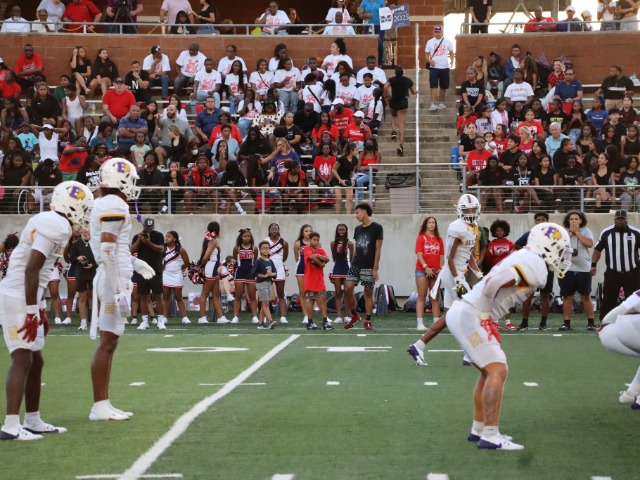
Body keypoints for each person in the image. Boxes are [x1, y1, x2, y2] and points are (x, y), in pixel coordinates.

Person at [444, 222, 572, 450]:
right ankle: (490, 435)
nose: (562, 255)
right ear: (547, 246)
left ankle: (479, 429)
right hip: (471, 315)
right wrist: (485, 316)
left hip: (465, 313)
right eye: (560, 249)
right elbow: (492, 283)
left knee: (488, 371)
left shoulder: (527, 257)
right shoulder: (535, 264)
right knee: (498, 370)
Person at [0, 181, 93, 440]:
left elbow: (38, 271)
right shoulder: (56, 225)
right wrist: (32, 310)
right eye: (83, 208)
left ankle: (32, 420)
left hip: (26, 295)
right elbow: (32, 269)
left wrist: (39, 307)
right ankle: (10, 426)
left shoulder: (55, 222)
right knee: (22, 358)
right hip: (18, 295)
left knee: (36, 360)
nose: (85, 214)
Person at [89, 159, 154, 421]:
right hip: (111, 280)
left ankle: (103, 403)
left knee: (111, 341)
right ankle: (99, 405)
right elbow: (106, 251)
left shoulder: (107, 203)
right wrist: (118, 291)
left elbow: (112, 249)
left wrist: (134, 262)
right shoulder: (114, 204)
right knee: (108, 342)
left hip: (113, 276)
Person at [591, 210, 640, 322]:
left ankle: (635, 323)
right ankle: (605, 322)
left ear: (627, 219)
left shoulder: (636, 233)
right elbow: (597, 250)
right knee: (608, 300)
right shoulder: (607, 232)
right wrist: (593, 265)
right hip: (613, 272)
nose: (620, 221)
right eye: (618, 219)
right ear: (614, 220)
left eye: (623, 219)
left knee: (634, 300)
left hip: (632, 273)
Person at [343, 202, 383, 331]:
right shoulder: (357, 229)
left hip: (369, 265)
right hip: (356, 264)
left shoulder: (377, 228)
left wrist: (375, 268)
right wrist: (352, 261)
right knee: (347, 288)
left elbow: (378, 249)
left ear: (365, 211)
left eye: (357, 212)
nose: (356, 215)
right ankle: (355, 315)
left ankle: (367, 320)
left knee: (368, 293)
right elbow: (357, 247)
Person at [131, 218, 166, 331]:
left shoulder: (158, 235)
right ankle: (144, 321)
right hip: (142, 271)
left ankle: (160, 320)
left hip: (156, 270)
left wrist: (149, 243)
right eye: (147, 228)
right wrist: (139, 240)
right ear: (143, 226)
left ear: (153, 227)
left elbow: (161, 249)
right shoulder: (137, 236)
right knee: (143, 296)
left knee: (158, 295)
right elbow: (131, 251)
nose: (148, 230)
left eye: (150, 228)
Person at [414, 217, 444, 331]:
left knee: (435, 297)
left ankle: (436, 323)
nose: (432, 224)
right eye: (429, 222)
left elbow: (441, 255)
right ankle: (420, 323)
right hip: (422, 270)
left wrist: (441, 268)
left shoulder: (439, 239)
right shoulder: (421, 238)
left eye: (433, 222)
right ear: (426, 224)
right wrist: (426, 267)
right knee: (421, 296)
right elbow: (419, 254)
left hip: (436, 271)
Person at [197, 222, 230, 325]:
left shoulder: (210, 240)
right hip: (211, 268)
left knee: (216, 294)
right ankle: (201, 317)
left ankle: (220, 317)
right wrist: (200, 267)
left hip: (214, 269)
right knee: (205, 293)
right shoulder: (212, 241)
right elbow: (205, 257)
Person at [303, 232, 334, 331]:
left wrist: (317, 256)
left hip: (320, 279)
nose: (316, 242)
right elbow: (311, 257)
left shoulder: (320, 250)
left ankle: (325, 321)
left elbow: (327, 259)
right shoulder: (307, 248)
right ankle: (310, 322)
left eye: (317, 240)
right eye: (314, 240)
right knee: (311, 300)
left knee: (322, 299)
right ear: (309, 240)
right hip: (310, 279)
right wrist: (321, 263)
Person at [384, 66, 417, 157]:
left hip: (393, 101)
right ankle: (401, 145)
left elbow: (385, 87)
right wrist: (416, 91)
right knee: (401, 125)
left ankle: (393, 131)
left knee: (393, 115)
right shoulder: (408, 80)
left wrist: (386, 95)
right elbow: (413, 92)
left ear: (395, 72)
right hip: (403, 103)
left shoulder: (391, 79)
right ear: (403, 72)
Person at [68, 228, 96, 332]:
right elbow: (71, 259)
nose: (86, 232)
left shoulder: (95, 243)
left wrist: (93, 265)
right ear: (80, 231)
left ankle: (95, 321)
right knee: (82, 297)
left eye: (88, 230)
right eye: (83, 229)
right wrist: (78, 258)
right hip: (81, 273)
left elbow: (100, 258)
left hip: (93, 273)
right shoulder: (76, 244)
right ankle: (83, 322)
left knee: (94, 297)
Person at [162, 231, 190, 325]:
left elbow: (187, 263)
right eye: (166, 236)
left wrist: (179, 268)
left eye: (169, 237)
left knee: (179, 297)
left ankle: (184, 317)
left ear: (174, 239)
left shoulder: (180, 250)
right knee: (166, 296)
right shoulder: (163, 248)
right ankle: (164, 317)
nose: (166, 238)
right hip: (166, 274)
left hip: (177, 275)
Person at [231, 229, 259, 325]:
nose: (247, 238)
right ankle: (235, 316)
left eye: (249, 236)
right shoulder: (237, 248)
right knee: (238, 296)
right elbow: (234, 261)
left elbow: (255, 261)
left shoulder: (254, 248)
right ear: (241, 237)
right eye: (245, 236)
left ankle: (254, 316)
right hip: (240, 273)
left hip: (250, 274)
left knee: (252, 296)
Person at [424, 25, 454, 112]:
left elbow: (451, 52)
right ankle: (433, 103)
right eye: (435, 32)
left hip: (444, 66)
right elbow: (426, 54)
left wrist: (452, 61)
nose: (436, 34)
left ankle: (441, 102)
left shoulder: (447, 41)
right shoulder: (430, 42)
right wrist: (429, 60)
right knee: (433, 85)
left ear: (442, 32)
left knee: (443, 86)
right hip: (434, 67)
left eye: (438, 32)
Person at [264, 223, 289, 323]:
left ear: (278, 230)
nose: (274, 230)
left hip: (279, 268)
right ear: (269, 230)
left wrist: (279, 262)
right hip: (268, 267)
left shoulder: (284, 242)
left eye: (276, 228)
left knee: (280, 293)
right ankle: (265, 315)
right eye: (272, 228)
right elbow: (263, 254)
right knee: (266, 294)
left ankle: (283, 316)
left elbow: (285, 256)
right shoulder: (265, 241)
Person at [252, 241, 277, 329]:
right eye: (264, 248)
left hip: (269, 283)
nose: (266, 250)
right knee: (265, 303)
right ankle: (270, 321)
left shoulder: (270, 261)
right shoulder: (259, 261)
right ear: (260, 250)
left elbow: (275, 273)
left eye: (268, 248)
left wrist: (271, 274)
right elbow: (254, 273)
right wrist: (264, 276)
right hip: (261, 283)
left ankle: (261, 323)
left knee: (265, 303)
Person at [357, 0, 386, 66]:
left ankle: (380, 64)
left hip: (380, 26)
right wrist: (366, 15)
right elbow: (360, 15)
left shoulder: (381, 1)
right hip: (369, 26)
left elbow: (386, 12)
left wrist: (391, 8)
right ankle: (369, 64)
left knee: (380, 44)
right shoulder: (364, 1)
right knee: (369, 44)